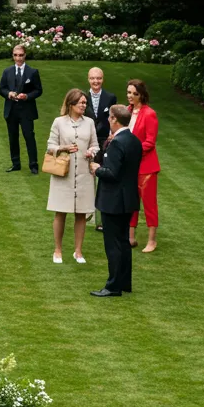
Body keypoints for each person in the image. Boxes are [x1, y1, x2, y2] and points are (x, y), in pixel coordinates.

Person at [89, 105, 143, 297]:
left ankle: (113, 286)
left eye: (110, 118)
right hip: (128, 199)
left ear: (114, 119)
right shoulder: (134, 140)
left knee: (113, 244)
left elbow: (111, 173)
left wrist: (96, 169)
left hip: (113, 201)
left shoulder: (118, 142)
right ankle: (124, 282)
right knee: (123, 242)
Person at [46, 90, 99, 264]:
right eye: (81, 103)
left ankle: (78, 251)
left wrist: (92, 151)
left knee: (81, 214)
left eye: (85, 103)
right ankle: (57, 250)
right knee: (60, 212)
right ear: (71, 104)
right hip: (64, 174)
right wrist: (64, 148)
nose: (84, 105)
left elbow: (95, 145)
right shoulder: (59, 122)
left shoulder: (90, 123)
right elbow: (50, 146)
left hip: (84, 173)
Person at [126, 79, 160, 253]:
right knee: (131, 201)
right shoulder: (127, 111)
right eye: (129, 93)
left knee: (149, 203)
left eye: (134, 93)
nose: (130, 96)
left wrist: (133, 150)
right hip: (130, 166)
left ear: (142, 95)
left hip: (146, 166)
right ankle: (130, 237)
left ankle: (152, 240)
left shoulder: (149, 114)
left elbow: (150, 142)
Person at [0, 43, 43, 174]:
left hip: (26, 110)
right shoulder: (7, 71)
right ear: (13, 56)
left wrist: (27, 96)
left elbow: (38, 90)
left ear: (25, 55)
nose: (18, 58)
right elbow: (1, 89)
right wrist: (8, 94)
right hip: (11, 109)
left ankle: (33, 165)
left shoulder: (32, 72)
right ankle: (15, 163)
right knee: (13, 137)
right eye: (16, 55)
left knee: (29, 136)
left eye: (21, 55)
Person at [85, 68, 117, 229]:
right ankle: (88, 216)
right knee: (88, 177)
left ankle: (104, 219)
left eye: (98, 78)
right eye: (92, 78)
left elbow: (113, 119)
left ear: (103, 79)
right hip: (88, 142)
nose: (95, 82)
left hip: (105, 142)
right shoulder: (82, 97)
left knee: (104, 178)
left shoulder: (110, 97)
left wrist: (112, 136)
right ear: (88, 79)